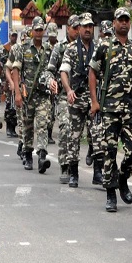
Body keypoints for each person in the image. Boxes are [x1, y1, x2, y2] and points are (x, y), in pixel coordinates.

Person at [89, 7, 132, 213]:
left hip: (130, 109)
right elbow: (92, 72)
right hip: (109, 108)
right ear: (114, 23)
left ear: (129, 23)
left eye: (126, 20)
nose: (123, 23)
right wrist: (95, 102)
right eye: (120, 19)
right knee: (109, 152)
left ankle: (122, 178)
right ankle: (111, 193)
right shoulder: (104, 46)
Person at [60, 12, 104, 188]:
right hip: (77, 99)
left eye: (90, 26)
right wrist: (68, 90)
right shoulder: (71, 49)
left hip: (94, 100)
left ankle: (98, 173)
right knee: (74, 137)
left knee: (98, 135)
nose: (88, 29)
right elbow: (64, 71)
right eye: (85, 26)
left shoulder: (99, 47)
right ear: (79, 29)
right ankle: (74, 174)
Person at [12, 16, 56, 172]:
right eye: (36, 30)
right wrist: (17, 93)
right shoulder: (24, 48)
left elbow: (53, 70)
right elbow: (16, 70)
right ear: (32, 31)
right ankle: (28, 154)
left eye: (40, 30)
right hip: (27, 96)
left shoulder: (49, 49)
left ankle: (42, 156)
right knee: (28, 126)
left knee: (43, 124)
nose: (38, 32)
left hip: (43, 95)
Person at [47, 15, 80, 183]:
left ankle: (95, 166)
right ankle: (65, 165)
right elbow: (49, 71)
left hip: (83, 96)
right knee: (66, 128)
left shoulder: (88, 47)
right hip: (64, 97)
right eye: (74, 28)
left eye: (79, 27)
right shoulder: (60, 48)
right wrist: (50, 81)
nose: (77, 31)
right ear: (68, 28)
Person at [3, 29, 19, 137]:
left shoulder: (18, 48)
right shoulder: (5, 48)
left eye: (15, 35)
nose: (14, 37)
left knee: (16, 106)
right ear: (9, 36)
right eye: (12, 35)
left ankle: (13, 127)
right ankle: (9, 127)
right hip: (7, 78)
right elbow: (4, 65)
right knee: (9, 104)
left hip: (16, 78)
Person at [46, 22, 59, 145]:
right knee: (47, 108)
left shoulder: (61, 47)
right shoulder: (45, 48)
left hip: (58, 82)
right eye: (50, 36)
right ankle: (46, 133)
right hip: (47, 82)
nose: (52, 38)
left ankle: (49, 132)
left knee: (53, 109)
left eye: (54, 36)